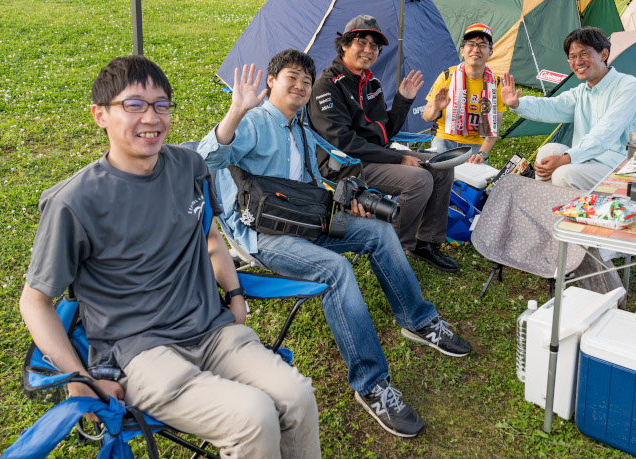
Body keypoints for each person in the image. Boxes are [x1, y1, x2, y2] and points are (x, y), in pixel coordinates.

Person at [19, 56, 320, 458]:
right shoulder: (74, 203)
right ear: (100, 115)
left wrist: (234, 295)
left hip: (213, 331)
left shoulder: (188, 166)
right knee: (253, 415)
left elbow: (211, 238)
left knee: (298, 396)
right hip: (139, 352)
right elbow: (34, 300)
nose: (152, 117)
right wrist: (78, 377)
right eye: (134, 105)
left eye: (161, 105)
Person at [199, 49, 471, 438]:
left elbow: (316, 184)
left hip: (306, 220)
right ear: (271, 81)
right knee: (336, 269)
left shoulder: (303, 131)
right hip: (265, 235)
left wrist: (349, 199)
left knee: (378, 232)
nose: (300, 86)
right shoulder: (254, 122)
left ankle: (419, 320)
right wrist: (235, 112)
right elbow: (208, 158)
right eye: (291, 77)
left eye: (306, 82)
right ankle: (372, 385)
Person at [307, 15, 460, 273]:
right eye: (361, 42)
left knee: (441, 166)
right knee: (419, 179)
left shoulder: (371, 83)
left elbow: (384, 134)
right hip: (345, 164)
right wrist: (398, 159)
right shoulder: (327, 86)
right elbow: (344, 143)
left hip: (375, 156)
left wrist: (403, 100)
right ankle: (392, 250)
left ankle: (425, 242)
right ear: (344, 44)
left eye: (375, 46)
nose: (368, 50)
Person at [500, 27, 636, 190]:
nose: (578, 62)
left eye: (584, 54)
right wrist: (517, 104)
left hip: (623, 166)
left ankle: (571, 214)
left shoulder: (629, 87)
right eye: (572, 57)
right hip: (589, 160)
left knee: (563, 174)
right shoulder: (582, 92)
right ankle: (544, 209)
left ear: (604, 54)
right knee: (547, 151)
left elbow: (604, 133)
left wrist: (567, 158)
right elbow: (552, 107)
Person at [422, 23, 507, 163]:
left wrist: (482, 154)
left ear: (490, 53)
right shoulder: (447, 76)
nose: (476, 49)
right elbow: (426, 117)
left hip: (476, 145)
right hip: (445, 138)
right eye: (471, 44)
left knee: (474, 182)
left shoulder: (496, 84)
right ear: (462, 50)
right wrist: (436, 108)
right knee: (437, 177)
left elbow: (493, 131)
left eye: (482, 45)